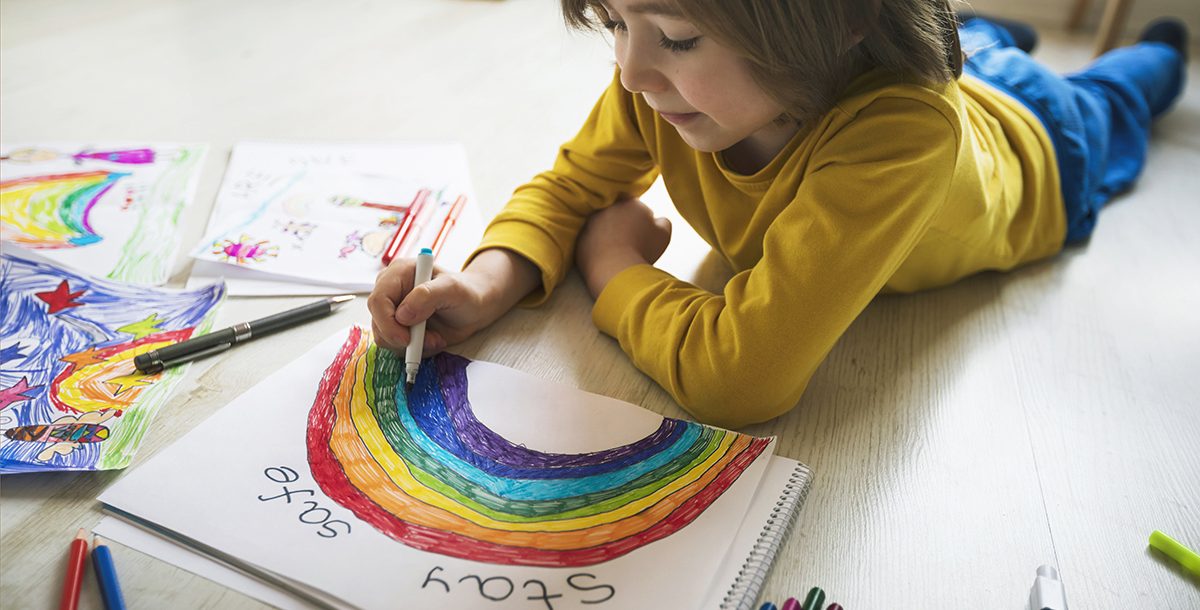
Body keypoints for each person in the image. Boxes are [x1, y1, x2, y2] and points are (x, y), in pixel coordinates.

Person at [369, 0, 1187, 429]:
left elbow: (741, 378)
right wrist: (480, 285)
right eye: (618, 24)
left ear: (840, 17)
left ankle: (1164, 50)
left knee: (1118, 93)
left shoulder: (901, 135)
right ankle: (988, 34)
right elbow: (570, 186)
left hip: (1041, 147)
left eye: (677, 36)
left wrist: (614, 271)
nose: (629, 72)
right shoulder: (659, 87)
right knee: (978, 42)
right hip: (940, 73)